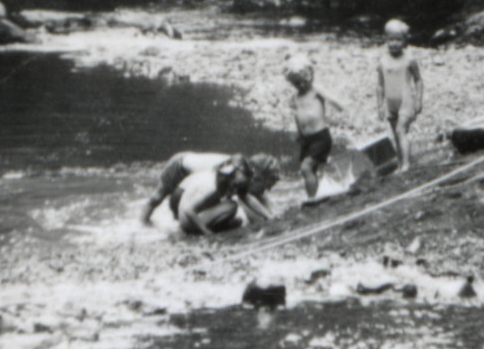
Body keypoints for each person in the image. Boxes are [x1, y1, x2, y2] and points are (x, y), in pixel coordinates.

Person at [141, 152, 278, 226]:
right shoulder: (236, 172)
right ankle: (142, 223)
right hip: (180, 166)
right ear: (257, 178)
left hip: (195, 177)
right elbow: (247, 197)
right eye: (266, 186)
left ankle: (184, 224)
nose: (266, 191)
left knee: (196, 205)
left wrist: (271, 215)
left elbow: (252, 196)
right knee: (156, 198)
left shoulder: (244, 169)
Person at [286, 55, 347, 201]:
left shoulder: (315, 90)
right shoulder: (295, 97)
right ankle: (313, 196)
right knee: (309, 169)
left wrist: (341, 110)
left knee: (306, 167)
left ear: (310, 77)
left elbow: (335, 101)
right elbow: (297, 116)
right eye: (296, 84)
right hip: (306, 138)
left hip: (321, 136)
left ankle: (312, 199)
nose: (300, 86)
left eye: (303, 82)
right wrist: (299, 134)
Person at [375, 19, 424, 170]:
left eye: (398, 40)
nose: (394, 43)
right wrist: (379, 105)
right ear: (385, 40)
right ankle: (400, 162)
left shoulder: (409, 59)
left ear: (404, 41)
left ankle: (406, 165)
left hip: (406, 100)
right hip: (391, 103)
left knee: (400, 130)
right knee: (396, 134)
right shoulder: (382, 61)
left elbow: (419, 80)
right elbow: (379, 85)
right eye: (391, 39)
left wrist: (418, 100)